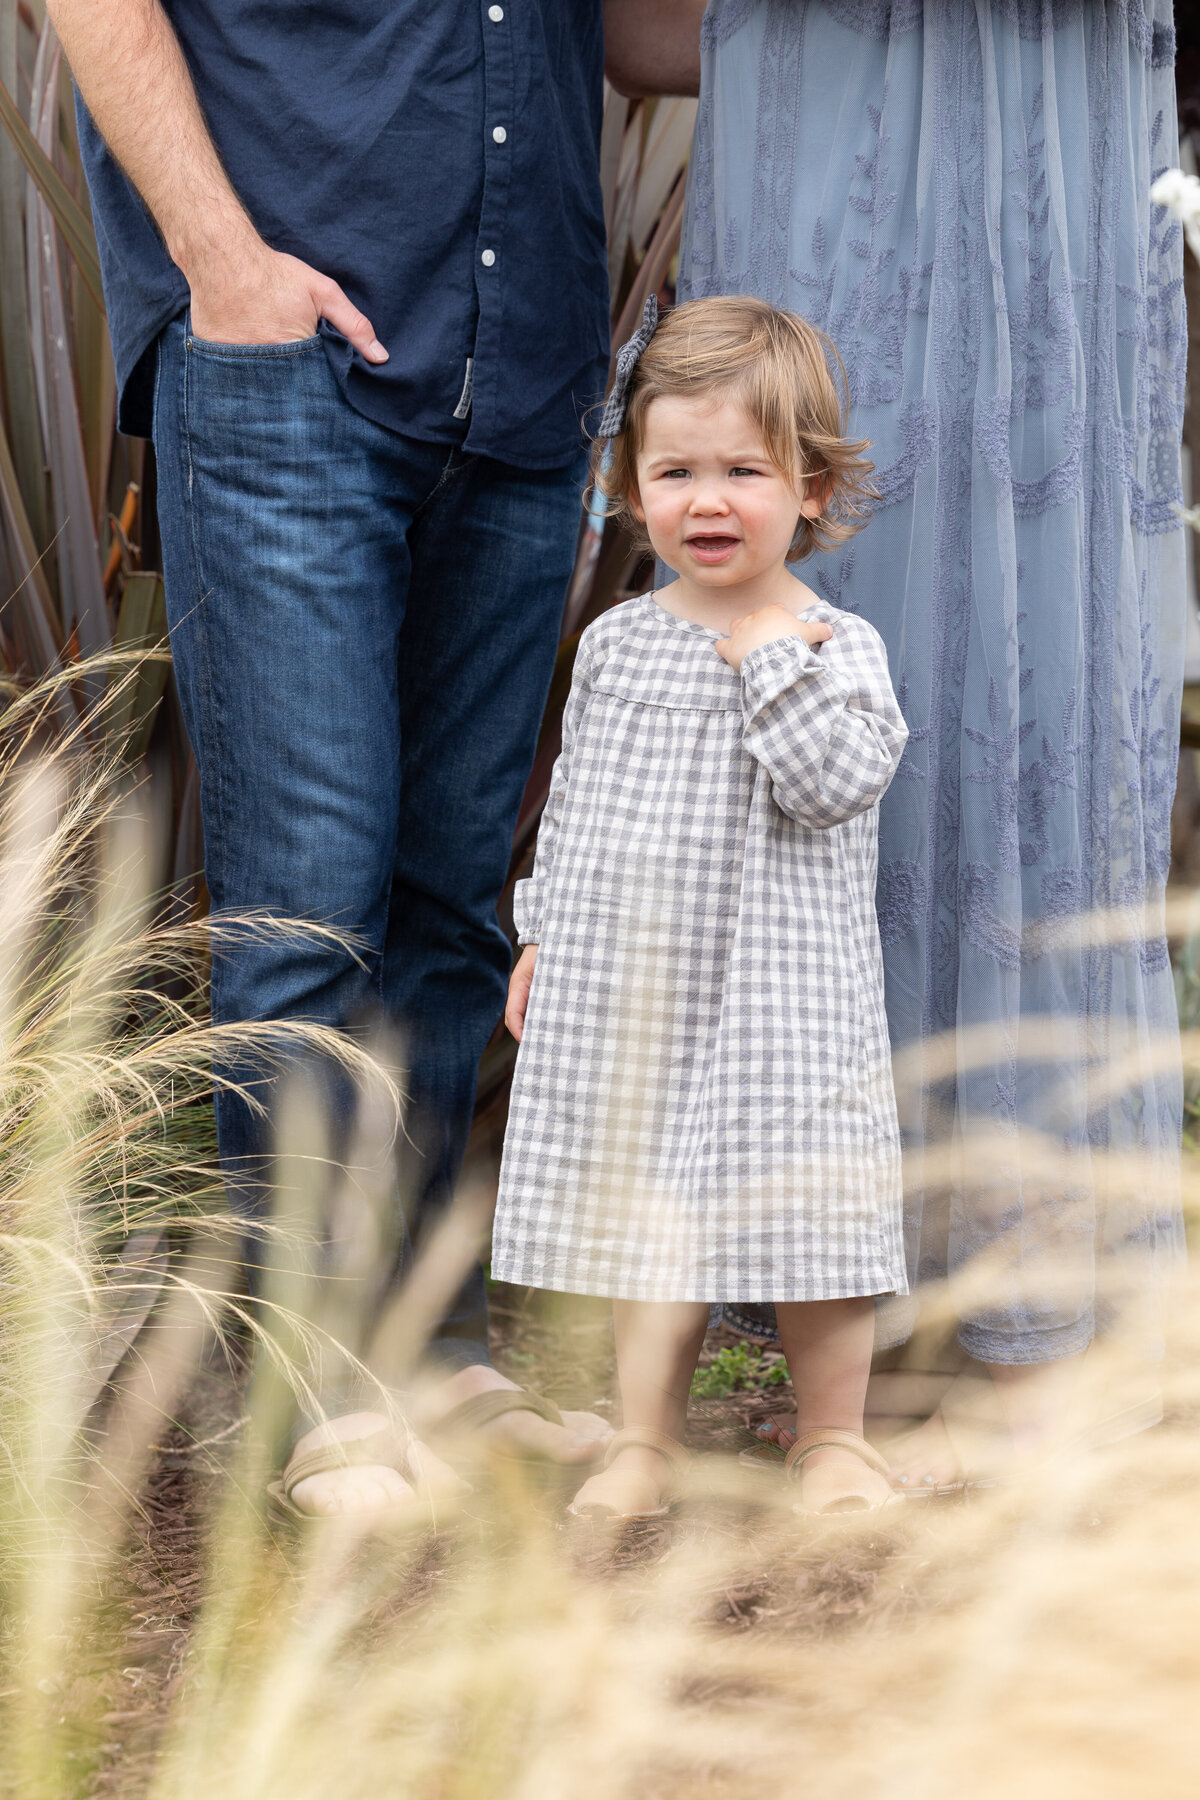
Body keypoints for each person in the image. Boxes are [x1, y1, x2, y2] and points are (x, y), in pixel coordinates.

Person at [48, 0, 639, 1515]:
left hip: (519, 376)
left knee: (450, 899)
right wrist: (219, 263)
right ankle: (313, 1384)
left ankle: (435, 1352)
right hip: (287, 370)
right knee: (306, 907)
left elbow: (640, 40)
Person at [615, 1, 1188, 1486]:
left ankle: (1041, 1319)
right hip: (824, 94)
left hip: (1048, 103)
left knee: (1042, 655)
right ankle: (849, 1328)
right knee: (806, 538)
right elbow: (631, 34)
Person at [492, 296, 909, 1519]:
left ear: (813, 488)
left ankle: (834, 1437)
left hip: (789, 993)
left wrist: (765, 658)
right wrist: (542, 934)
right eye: (676, 471)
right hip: (644, 985)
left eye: (744, 470)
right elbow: (574, 805)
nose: (708, 500)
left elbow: (837, 783)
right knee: (651, 1213)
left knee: (817, 1203)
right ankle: (646, 1441)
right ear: (632, 488)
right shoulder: (620, 644)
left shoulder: (835, 643)